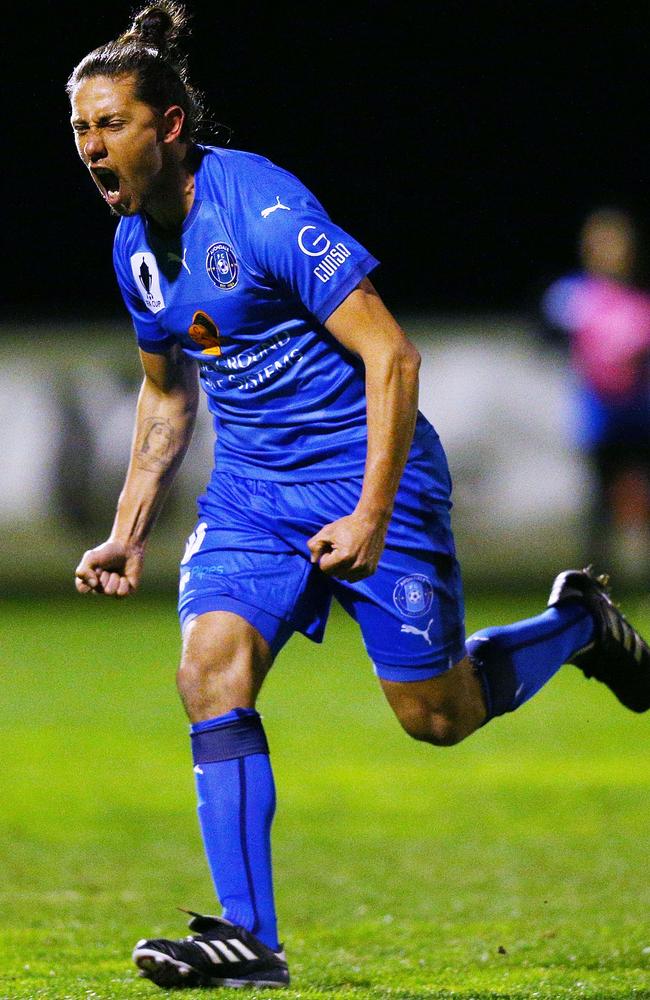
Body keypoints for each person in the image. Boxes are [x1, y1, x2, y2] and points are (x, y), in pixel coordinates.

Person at [69, 4, 650, 991]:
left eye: (108, 125)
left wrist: (371, 514)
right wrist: (128, 530)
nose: (90, 150)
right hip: (253, 496)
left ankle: (575, 623)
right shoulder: (134, 248)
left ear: (168, 125)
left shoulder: (261, 210)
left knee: (436, 714)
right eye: (79, 130)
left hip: (369, 476)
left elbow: (391, 354)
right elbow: (167, 396)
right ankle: (248, 941)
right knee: (207, 670)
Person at [540, 207, 650, 584]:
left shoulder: (640, 301)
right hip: (599, 418)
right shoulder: (572, 295)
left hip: (640, 416)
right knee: (599, 510)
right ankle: (594, 587)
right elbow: (546, 337)